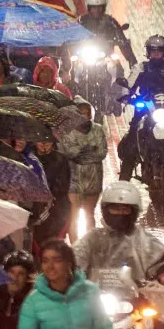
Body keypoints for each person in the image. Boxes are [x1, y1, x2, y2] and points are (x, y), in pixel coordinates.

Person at [117, 34, 164, 181]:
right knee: (131, 140)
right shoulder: (140, 68)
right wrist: (127, 95)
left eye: (159, 51)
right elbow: (129, 83)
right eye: (153, 51)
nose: (156, 54)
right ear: (148, 52)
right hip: (144, 108)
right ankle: (125, 177)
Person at [73, 181, 164, 282]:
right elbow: (75, 258)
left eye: (125, 209)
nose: (120, 213)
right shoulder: (92, 239)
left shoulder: (146, 241)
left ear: (134, 211)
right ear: (105, 210)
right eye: (114, 208)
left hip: (137, 296)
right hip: (93, 294)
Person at [59, 99, 107, 238]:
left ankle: (89, 245)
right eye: (81, 113)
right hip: (73, 179)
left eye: (87, 114)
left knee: (89, 214)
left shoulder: (98, 129)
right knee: (73, 215)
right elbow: (67, 151)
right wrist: (89, 150)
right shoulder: (67, 131)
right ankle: (75, 249)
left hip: (93, 179)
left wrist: (81, 154)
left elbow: (102, 152)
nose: (84, 117)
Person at [78, 0, 136, 67]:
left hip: (107, 57)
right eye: (94, 7)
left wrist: (132, 60)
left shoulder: (111, 21)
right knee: (75, 67)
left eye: (99, 7)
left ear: (104, 7)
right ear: (89, 8)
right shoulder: (82, 21)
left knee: (118, 70)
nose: (97, 10)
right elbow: (72, 38)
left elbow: (122, 40)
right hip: (86, 56)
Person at [34, 139, 73, 242]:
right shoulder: (29, 158)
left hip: (55, 209)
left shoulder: (61, 159)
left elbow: (63, 186)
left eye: (48, 140)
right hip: (34, 208)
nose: (43, 144)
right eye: (40, 140)